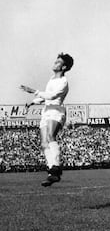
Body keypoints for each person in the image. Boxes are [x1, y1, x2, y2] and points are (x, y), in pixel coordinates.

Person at [20, 53, 74, 187]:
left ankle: (56, 166)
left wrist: (33, 91)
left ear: (64, 67)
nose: (54, 63)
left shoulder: (63, 81)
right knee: (44, 143)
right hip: (46, 110)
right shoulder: (51, 79)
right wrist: (33, 102)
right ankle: (52, 173)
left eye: (58, 62)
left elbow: (52, 95)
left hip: (56, 110)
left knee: (51, 136)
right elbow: (45, 96)